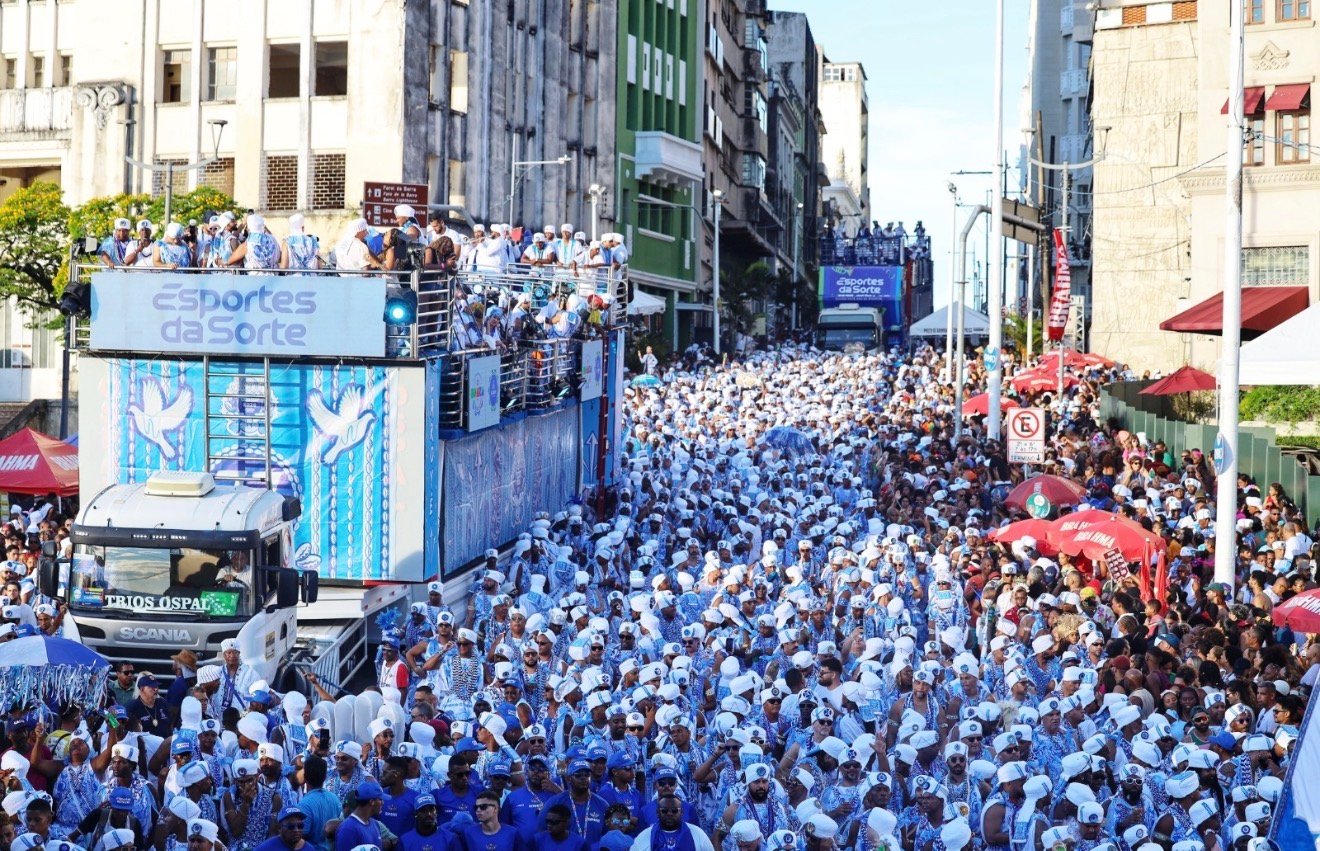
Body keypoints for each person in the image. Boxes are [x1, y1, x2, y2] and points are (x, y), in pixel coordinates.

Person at [630, 794, 716, 851]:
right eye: (664, 811)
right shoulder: (644, 837)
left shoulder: (697, 834)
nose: (670, 814)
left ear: (682, 812)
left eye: (674, 811)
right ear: (657, 813)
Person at [456, 790, 521, 851]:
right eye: (476, 807)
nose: (478, 810)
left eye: (483, 806)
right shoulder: (468, 833)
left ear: (495, 809)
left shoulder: (512, 833)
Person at [333, 782, 384, 851]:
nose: (383, 803)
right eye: (380, 799)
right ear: (372, 802)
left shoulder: (375, 824)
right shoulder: (348, 829)